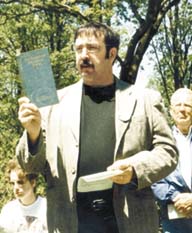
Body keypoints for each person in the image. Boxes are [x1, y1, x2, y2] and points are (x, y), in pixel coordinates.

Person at [16, 22, 178, 233]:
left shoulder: (144, 99)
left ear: (111, 54)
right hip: (71, 223)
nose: (83, 55)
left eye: (92, 48)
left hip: (129, 223)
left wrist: (135, 169)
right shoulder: (52, 104)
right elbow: (30, 166)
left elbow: (168, 152)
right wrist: (33, 133)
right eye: (78, 49)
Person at [152, 88, 192, 233]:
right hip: (174, 221)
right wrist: (176, 197)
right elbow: (154, 179)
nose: (182, 109)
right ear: (170, 110)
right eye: (178, 105)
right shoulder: (158, 140)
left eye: (187, 105)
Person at [0, 159, 48, 233]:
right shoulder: (8, 210)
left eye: (20, 182)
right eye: (13, 183)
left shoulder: (47, 208)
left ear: (33, 182)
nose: (16, 187)